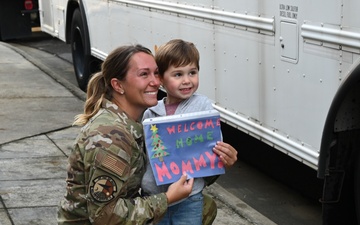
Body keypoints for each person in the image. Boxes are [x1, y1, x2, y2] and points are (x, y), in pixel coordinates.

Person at [57, 44, 195, 225]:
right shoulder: (111, 138)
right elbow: (104, 216)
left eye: (156, 73)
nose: (156, 82)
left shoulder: (132, 123)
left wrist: (213, 161)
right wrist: (167, 198)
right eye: (144, 74)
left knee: (204, 206)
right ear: (118, 85)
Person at [141, 39, 238, 225]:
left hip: (190, 198)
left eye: (192, 72)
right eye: (178, 74)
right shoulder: (150, 113)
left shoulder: (202, 106)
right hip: (154, 197)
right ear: (161, 79)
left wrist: (222, 157)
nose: (187, 80)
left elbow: (212, 147)